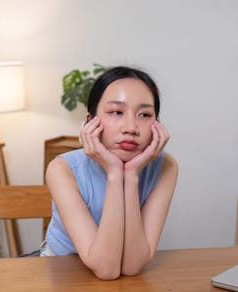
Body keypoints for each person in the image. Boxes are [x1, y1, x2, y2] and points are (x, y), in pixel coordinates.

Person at [41, 66, 178, 280]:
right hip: (62, 275)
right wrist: (115, 173)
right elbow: (106, 269)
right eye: (116, 112)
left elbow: (133, 267)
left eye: (144, 114)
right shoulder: (61, 169)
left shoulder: (166, 167)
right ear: (90, 121)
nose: (131, 127)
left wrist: (130, 175)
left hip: (123, 284)